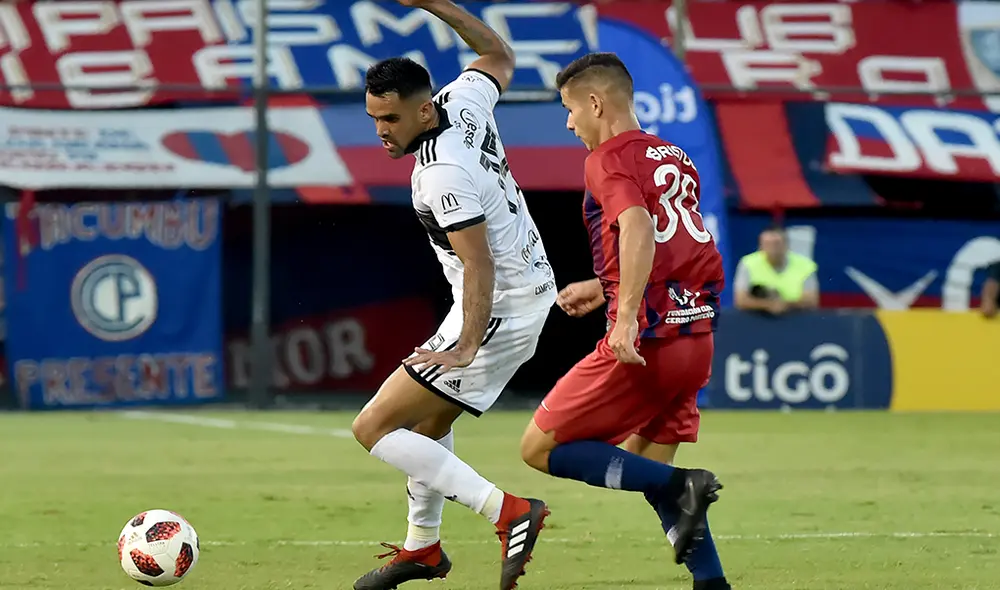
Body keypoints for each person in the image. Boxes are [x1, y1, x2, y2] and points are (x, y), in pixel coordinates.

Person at [349, 1, 556, 589]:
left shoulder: (441, 175)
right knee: (424, 429)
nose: (381, 131)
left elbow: (478, 260)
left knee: (373, 428)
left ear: (422, 108)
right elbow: (498, 55)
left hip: (500, 306)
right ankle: (423, 549)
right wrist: (434, 5)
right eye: (372, 118)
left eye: (389, 119)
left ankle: (509, 511)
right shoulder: (463, 99)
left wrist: (466, 343)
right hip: (522, 293)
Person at [518, 53, 731, 590]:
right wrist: (605, 284)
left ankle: (686, 484)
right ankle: (713, 583)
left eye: (570, 109)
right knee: (648, 472)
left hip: (649, 338)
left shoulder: (606, 158)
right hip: (696, 334)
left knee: (538, 448)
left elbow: (636, 224)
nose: (569, 123)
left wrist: (626, 314)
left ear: (595, 102)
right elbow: (672, 239)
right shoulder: (674, 155)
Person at [733, 226, 819, 315]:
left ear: (786, 245)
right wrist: (768, 305)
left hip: (796, 318)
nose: (772, 249)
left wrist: (785, 304)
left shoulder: (805, 265)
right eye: (767, 244)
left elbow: (811, 300)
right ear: (760, 246)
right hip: (758, 319)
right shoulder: (748, 263)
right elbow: (740, 300)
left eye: (776, 243)